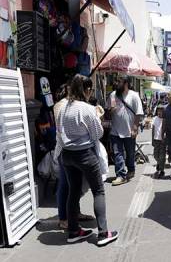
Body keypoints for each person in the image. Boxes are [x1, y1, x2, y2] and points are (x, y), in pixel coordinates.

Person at [57, 74, 118, 246]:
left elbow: (60, 133)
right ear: (86, 90)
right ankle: (103, 233)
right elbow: (98, 133)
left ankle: (74, 231)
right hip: (84, 154)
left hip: (67, 154)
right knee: (98, 191)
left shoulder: (63, 108)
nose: (90, 92)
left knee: (73, 192)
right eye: (90, 89)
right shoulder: (86, 108)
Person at [54, 81, 94, 230]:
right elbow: (62, 128)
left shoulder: (73, 105)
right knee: (65, 184)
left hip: (72, 149)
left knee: (74, 185)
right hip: (64, 149)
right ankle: (63, 218)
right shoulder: (61, 105)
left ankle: (75, 213)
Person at [106, 78, 144, 186]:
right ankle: (120, 175)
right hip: (115, 130)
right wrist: (110, 110)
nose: (117, 84)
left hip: (129, 130)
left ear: (126, 84)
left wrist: (135, 128)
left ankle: (131, 169)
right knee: (118, 153)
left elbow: (138, 113)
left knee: (130, 153)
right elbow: (108, 112)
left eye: (120, 83)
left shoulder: (134, 96)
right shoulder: (113, 95)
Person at [152, 105, 167, 179]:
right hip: (156, 139)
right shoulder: (155, 119)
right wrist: (152, 140)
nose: (159, 112)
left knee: (162, 156)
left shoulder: (165, 119)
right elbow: (153, 129)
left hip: (163, 140)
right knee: (155, 155)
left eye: (161, 111)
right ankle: (159, 164)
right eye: (158, 110)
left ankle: (162, 170)